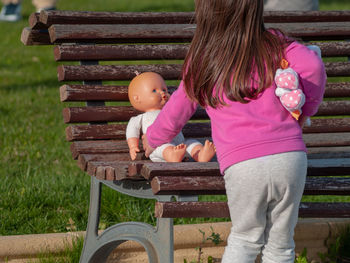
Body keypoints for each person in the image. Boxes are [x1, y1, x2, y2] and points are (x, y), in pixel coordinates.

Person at [142, 0, 326, 262]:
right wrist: (304, 111)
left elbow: (177, 108)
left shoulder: (205, 56)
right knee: (281, 245)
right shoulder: (276, 44)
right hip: (290, 158)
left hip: (243, 165)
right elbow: (313, 67)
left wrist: (152, 139)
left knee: (245, 240)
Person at [126, 72, 216, 163]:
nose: (162, 92)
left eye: (164, 90)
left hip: (181, 144)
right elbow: (132, 130)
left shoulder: (169, 111)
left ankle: (200, 154)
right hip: (156, 147)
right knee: (164, 147)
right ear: (137, 98)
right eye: (154, 90)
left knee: (191, 143)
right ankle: (172, 155)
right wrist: (133, 146)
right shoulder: (140, 118)